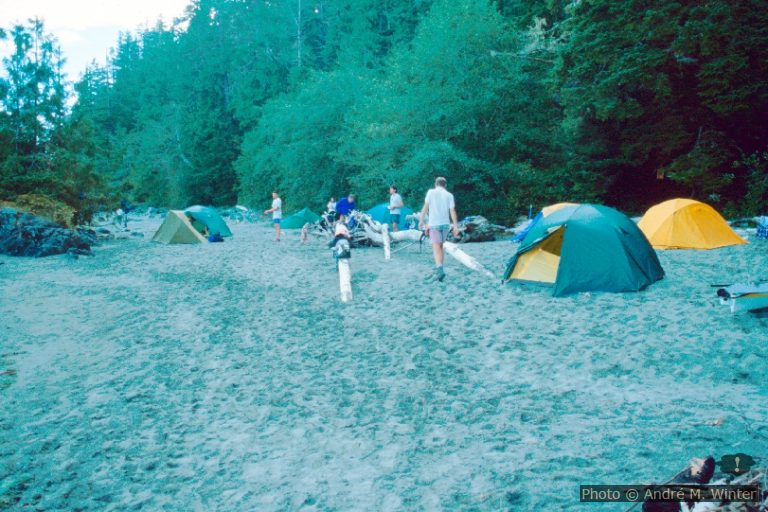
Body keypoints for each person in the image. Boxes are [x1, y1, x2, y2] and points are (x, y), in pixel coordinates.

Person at [418, 177, 459, 282]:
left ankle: (439, 270)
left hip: (434, 224)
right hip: (445, 224)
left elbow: (425, 207)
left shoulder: (430, 192)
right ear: (445, 185)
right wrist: (455, 226)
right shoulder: (449, 195)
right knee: (440, 246)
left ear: (435, 184)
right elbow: (452, 211)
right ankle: (439, 268)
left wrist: (421, 220)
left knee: (436, 248)